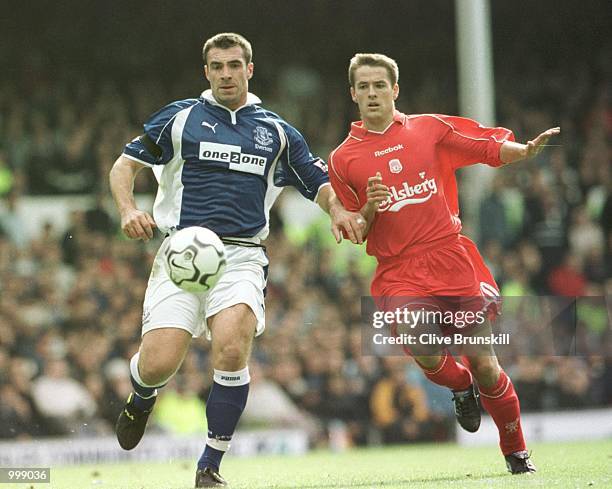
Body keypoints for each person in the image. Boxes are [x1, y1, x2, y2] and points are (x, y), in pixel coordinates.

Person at [109, 33, 363, 488]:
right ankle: (142, 395)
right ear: (206, 72)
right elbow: (124, 165)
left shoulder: (277, 131)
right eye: (217, 66)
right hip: (180, 252)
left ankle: (210, 466)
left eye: (234, 65)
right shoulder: (181, 118)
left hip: (242, 255)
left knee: (231, 344)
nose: (226, 73)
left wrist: (340, 210)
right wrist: (129, 210)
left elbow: (316, 182)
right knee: (158, 364)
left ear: (250, 68)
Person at [328, 52, 560, 475]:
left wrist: (522, 152)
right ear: (353, 94)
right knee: (423, 345)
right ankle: (459, 384)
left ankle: (516, 452)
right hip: (399, 269)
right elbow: (355, 227)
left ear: (395, 89)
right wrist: (371, 210)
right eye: (364, 86)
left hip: (449, 256)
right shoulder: (343, 158)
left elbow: (484, 148)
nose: (372, 93)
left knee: (487, 364)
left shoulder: (428, 129)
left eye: (380, 85)